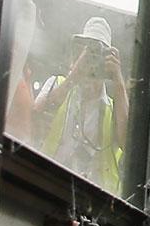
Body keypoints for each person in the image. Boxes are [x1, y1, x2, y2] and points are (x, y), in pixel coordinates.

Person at [30, 15, 130, 193]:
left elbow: (127, 144)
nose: (93, 62)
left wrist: (118, 82)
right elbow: (36, 116)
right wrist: (75, 73)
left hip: (96, 200)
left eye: (98, 55)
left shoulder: (115, 108)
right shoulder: (57, 84)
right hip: (49, 185)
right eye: (88, 52)